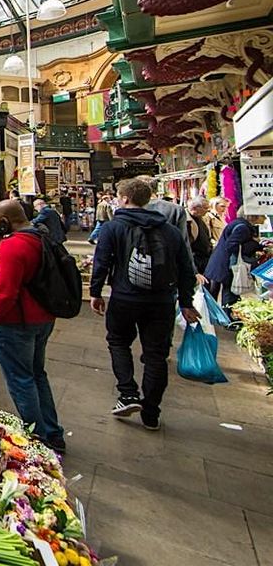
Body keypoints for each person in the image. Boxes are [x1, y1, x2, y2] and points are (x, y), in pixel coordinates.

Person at [89, 178, 197, 431]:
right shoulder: (169, 231)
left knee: (118, 342)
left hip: (125, 298)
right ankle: (151, 411)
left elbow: (102, 262)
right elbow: (185, 269)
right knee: (156, 356)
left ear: (125, 198)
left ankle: (127, 393)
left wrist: (95, 292)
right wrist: (186, 302)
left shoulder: (113, 228)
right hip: (161, 301)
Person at [0, 200, 64, 453]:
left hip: (15, 322)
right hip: (42, 319)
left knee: (21, 380)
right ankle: (53, 433)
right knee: (37, 374)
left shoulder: (13, 246)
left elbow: (5, 291)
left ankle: (36, 438)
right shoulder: (40, 238)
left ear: (5, 220)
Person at [205, 211, 263, 314]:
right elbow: (232, 245)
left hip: (222, 262)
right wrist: (255, 245)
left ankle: (225, 317)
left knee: (224, 290)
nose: (265, 219)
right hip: (228, 264)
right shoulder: (243, 228)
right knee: (230, 292)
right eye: (263, 216)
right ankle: (229, 318)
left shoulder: (238, 223)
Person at [187, 197, 215, 279]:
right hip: (196, 259)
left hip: (205, 257)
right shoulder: (186, 221)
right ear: (195, 208)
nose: (208, 210)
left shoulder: (200, 218)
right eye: (205, 208)